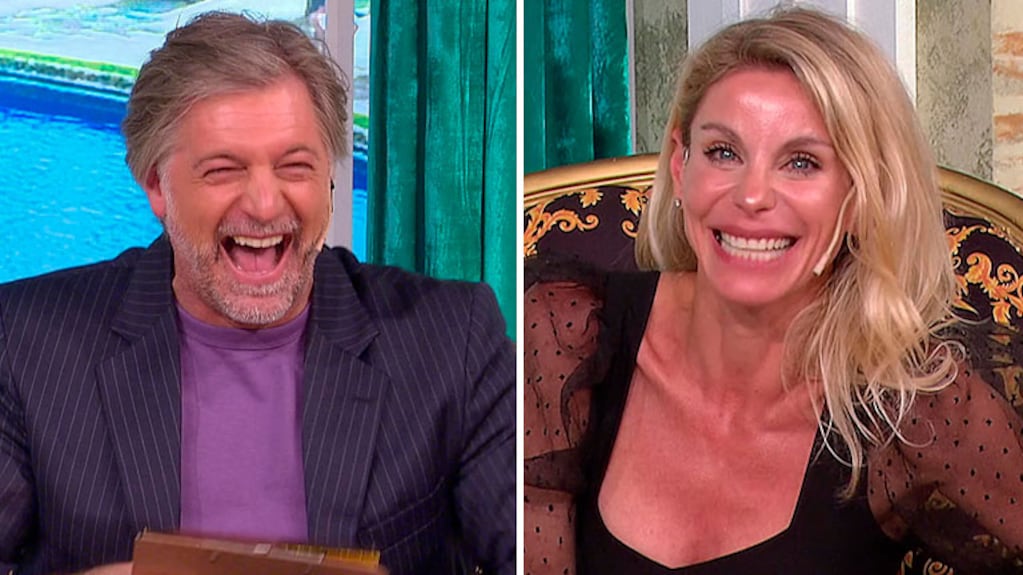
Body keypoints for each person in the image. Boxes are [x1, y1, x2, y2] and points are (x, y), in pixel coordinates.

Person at [0, 12, 514, 575]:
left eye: (295, 167)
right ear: (156, 186)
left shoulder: (454, 340)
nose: (266, 206)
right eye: (224, 170)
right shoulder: (24, 343)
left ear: (329, 181)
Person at [524, 7, 1023, 574]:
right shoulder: (567, 338)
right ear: (680, 166)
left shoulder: (917, 405)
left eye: (802, 162)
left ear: (860, 197)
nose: (752, 195)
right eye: (723, 152)